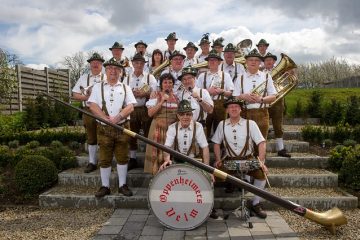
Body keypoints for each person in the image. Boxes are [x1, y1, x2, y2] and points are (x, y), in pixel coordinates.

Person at [159, 99, 219, 219]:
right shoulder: (172, 127)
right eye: (182, 114)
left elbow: (205, 148)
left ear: (192, 115)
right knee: (162, 175)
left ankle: (209, 207)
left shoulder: (198, 126)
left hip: (195, 161)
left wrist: (207, 168)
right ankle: (168, 205)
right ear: (178, 115)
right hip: (177, 161)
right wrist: (166, 160)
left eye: (188, 114)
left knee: (209, 179)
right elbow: (167, 146)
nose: (185, 117)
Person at [88, 57, 137, 198]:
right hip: (104, 129)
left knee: (122, 157)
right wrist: (105, 118)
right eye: (110, 68)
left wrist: (118, 117)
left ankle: (122, 185)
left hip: (122, 128)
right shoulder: (98, 87)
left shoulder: (125, 87)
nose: (113, 71)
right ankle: (105, 186)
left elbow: (131, 106)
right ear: (106, 70)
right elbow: (92, 105)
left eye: (116, 69)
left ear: (121, 72)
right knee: (104, 158)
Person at [212, 97, 268, 219]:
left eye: (236, 106)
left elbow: (261, 143)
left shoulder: (250, 124)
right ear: (227, 110)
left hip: (248, 159)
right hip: (229, 160)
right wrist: (217, 159)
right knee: (213, 176)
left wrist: (262, 162)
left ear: (241, 109)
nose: (233, 109)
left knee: (262, 174)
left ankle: (255, 203)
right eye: (231, 107)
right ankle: (211, 207)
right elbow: (216, 143)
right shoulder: (222, 124)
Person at [123, 53, 158, 170]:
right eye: (136, 63)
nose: (139, 65)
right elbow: (122, 93)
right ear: (132, 64)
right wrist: (131, 94)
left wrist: (144, 93)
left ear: (144, 65)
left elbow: (155, 93)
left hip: (146, 108)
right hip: (131, 109)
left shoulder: (150, 77)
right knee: (132, 134)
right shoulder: (126, 78)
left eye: (141, 63)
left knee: (149, 134)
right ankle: (132, 159)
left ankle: (149, 159)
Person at [72, 52, 106, 173]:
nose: (95, 64)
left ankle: (104, 161)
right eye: (93, 62)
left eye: (98, 62)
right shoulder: (83, 78)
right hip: (89, 110)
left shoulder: (107, 77)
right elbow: (75, 95)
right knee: (91, 137)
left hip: (103, 110)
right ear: (90, 64)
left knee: (105, 136)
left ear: (102, 64)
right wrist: (87, 98)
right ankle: (92, 162)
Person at [233, 49, 277, 140]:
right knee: (245, 143)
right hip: (244, 114)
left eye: (256, 60)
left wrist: (261, 99)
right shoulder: (240, 78)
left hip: (262, 113)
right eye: (251, 60)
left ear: (260, 62)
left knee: (261, 143)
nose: (253, 62)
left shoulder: (266, 76)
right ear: (246, 62)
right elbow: (234, 97)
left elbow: (273, 96)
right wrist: (243, 96)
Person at [144, 73, 179, 175]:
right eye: (165, 82)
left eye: (170, 82)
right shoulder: (156, 96)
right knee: (157, 155)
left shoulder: (177, 98)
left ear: (173, 84)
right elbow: (150, 113)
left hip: (172, 131)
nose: (167, 84)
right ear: (161, 84)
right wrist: (161, 101)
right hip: (157, 128)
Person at [196, 49, 234, 137]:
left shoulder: (226, 75)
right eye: (210, 60)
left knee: (221, 130)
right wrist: (207, 91)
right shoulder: (202, 76)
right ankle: (205, 149)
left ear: (219, 62)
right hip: (206, 105)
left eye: (214, 60)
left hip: (221, 105)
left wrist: (222, 91)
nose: (212, 62)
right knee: (204, 131)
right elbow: (196, 93)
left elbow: (231, 93)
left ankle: (220, 149)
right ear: (208, 62)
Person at [263, 52, 291, 157]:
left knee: (278, 126)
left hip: (278, 102)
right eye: (266, 60)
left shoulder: (280, 72)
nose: (269, 62)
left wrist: (289, 75)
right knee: (264, 126)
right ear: (264, 62)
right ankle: (262, 150)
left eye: (270, 60)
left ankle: (281, 149)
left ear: (274, 61)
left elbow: (287, 83)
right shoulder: (260, 73)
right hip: (265, 101)